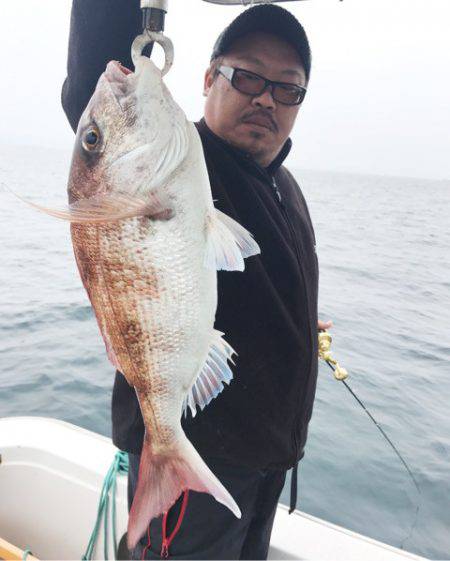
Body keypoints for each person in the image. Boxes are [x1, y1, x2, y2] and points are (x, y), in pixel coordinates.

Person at [62, 2, 332, 559]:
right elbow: (95, 86)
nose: (266, 98)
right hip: (198, 454)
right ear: (208, 78)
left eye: (288, 89)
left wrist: (302, 324)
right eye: (248, 76)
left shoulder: (286, 188)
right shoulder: (179, 160)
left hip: (264, 464)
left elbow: (246, 281)